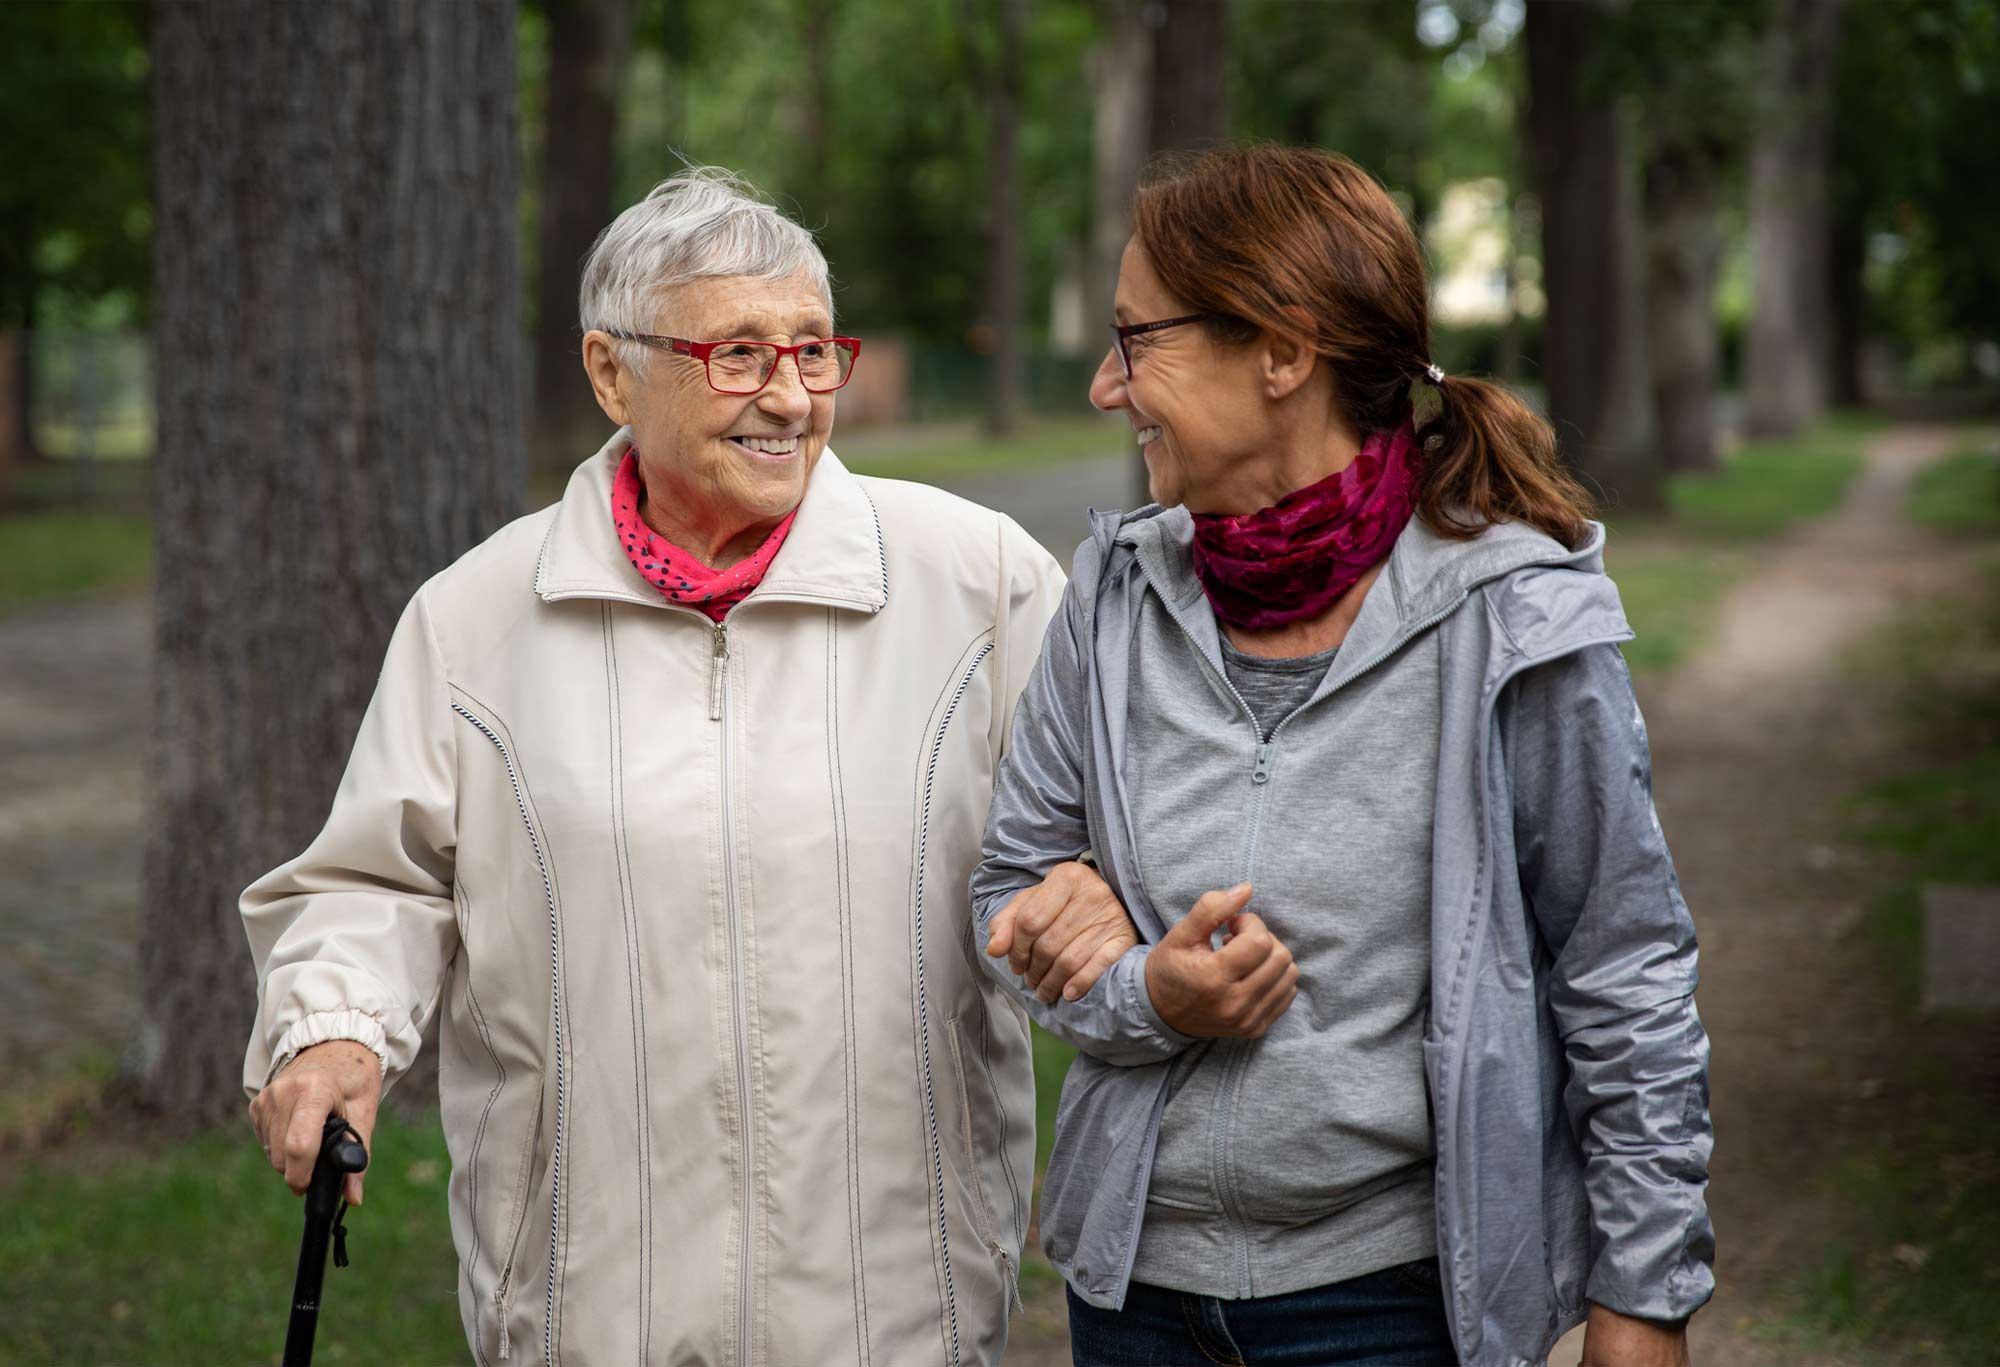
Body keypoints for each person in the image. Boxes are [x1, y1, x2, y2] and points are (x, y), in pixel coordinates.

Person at [242, 166, 1117, 1366]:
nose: (789, 396)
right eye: (739, 354)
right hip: (584, 1310)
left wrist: (1090, 886)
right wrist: (333, 1028)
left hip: (889, 1310)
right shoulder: (479, 615)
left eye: (813, 352)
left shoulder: (982, 586)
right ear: (612, 372)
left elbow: (1100, 828)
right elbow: (376, 881)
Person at [972, 145, 1714, 1367]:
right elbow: (1007, 894)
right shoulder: (1111, 596)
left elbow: (1620, 966)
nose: (1108, 386)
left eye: (1137, 339)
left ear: (1280, 349)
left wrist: (1643, 1292)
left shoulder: (1512, 620)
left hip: (1392, 1307)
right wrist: (1148, 995)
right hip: (1131, 1301)